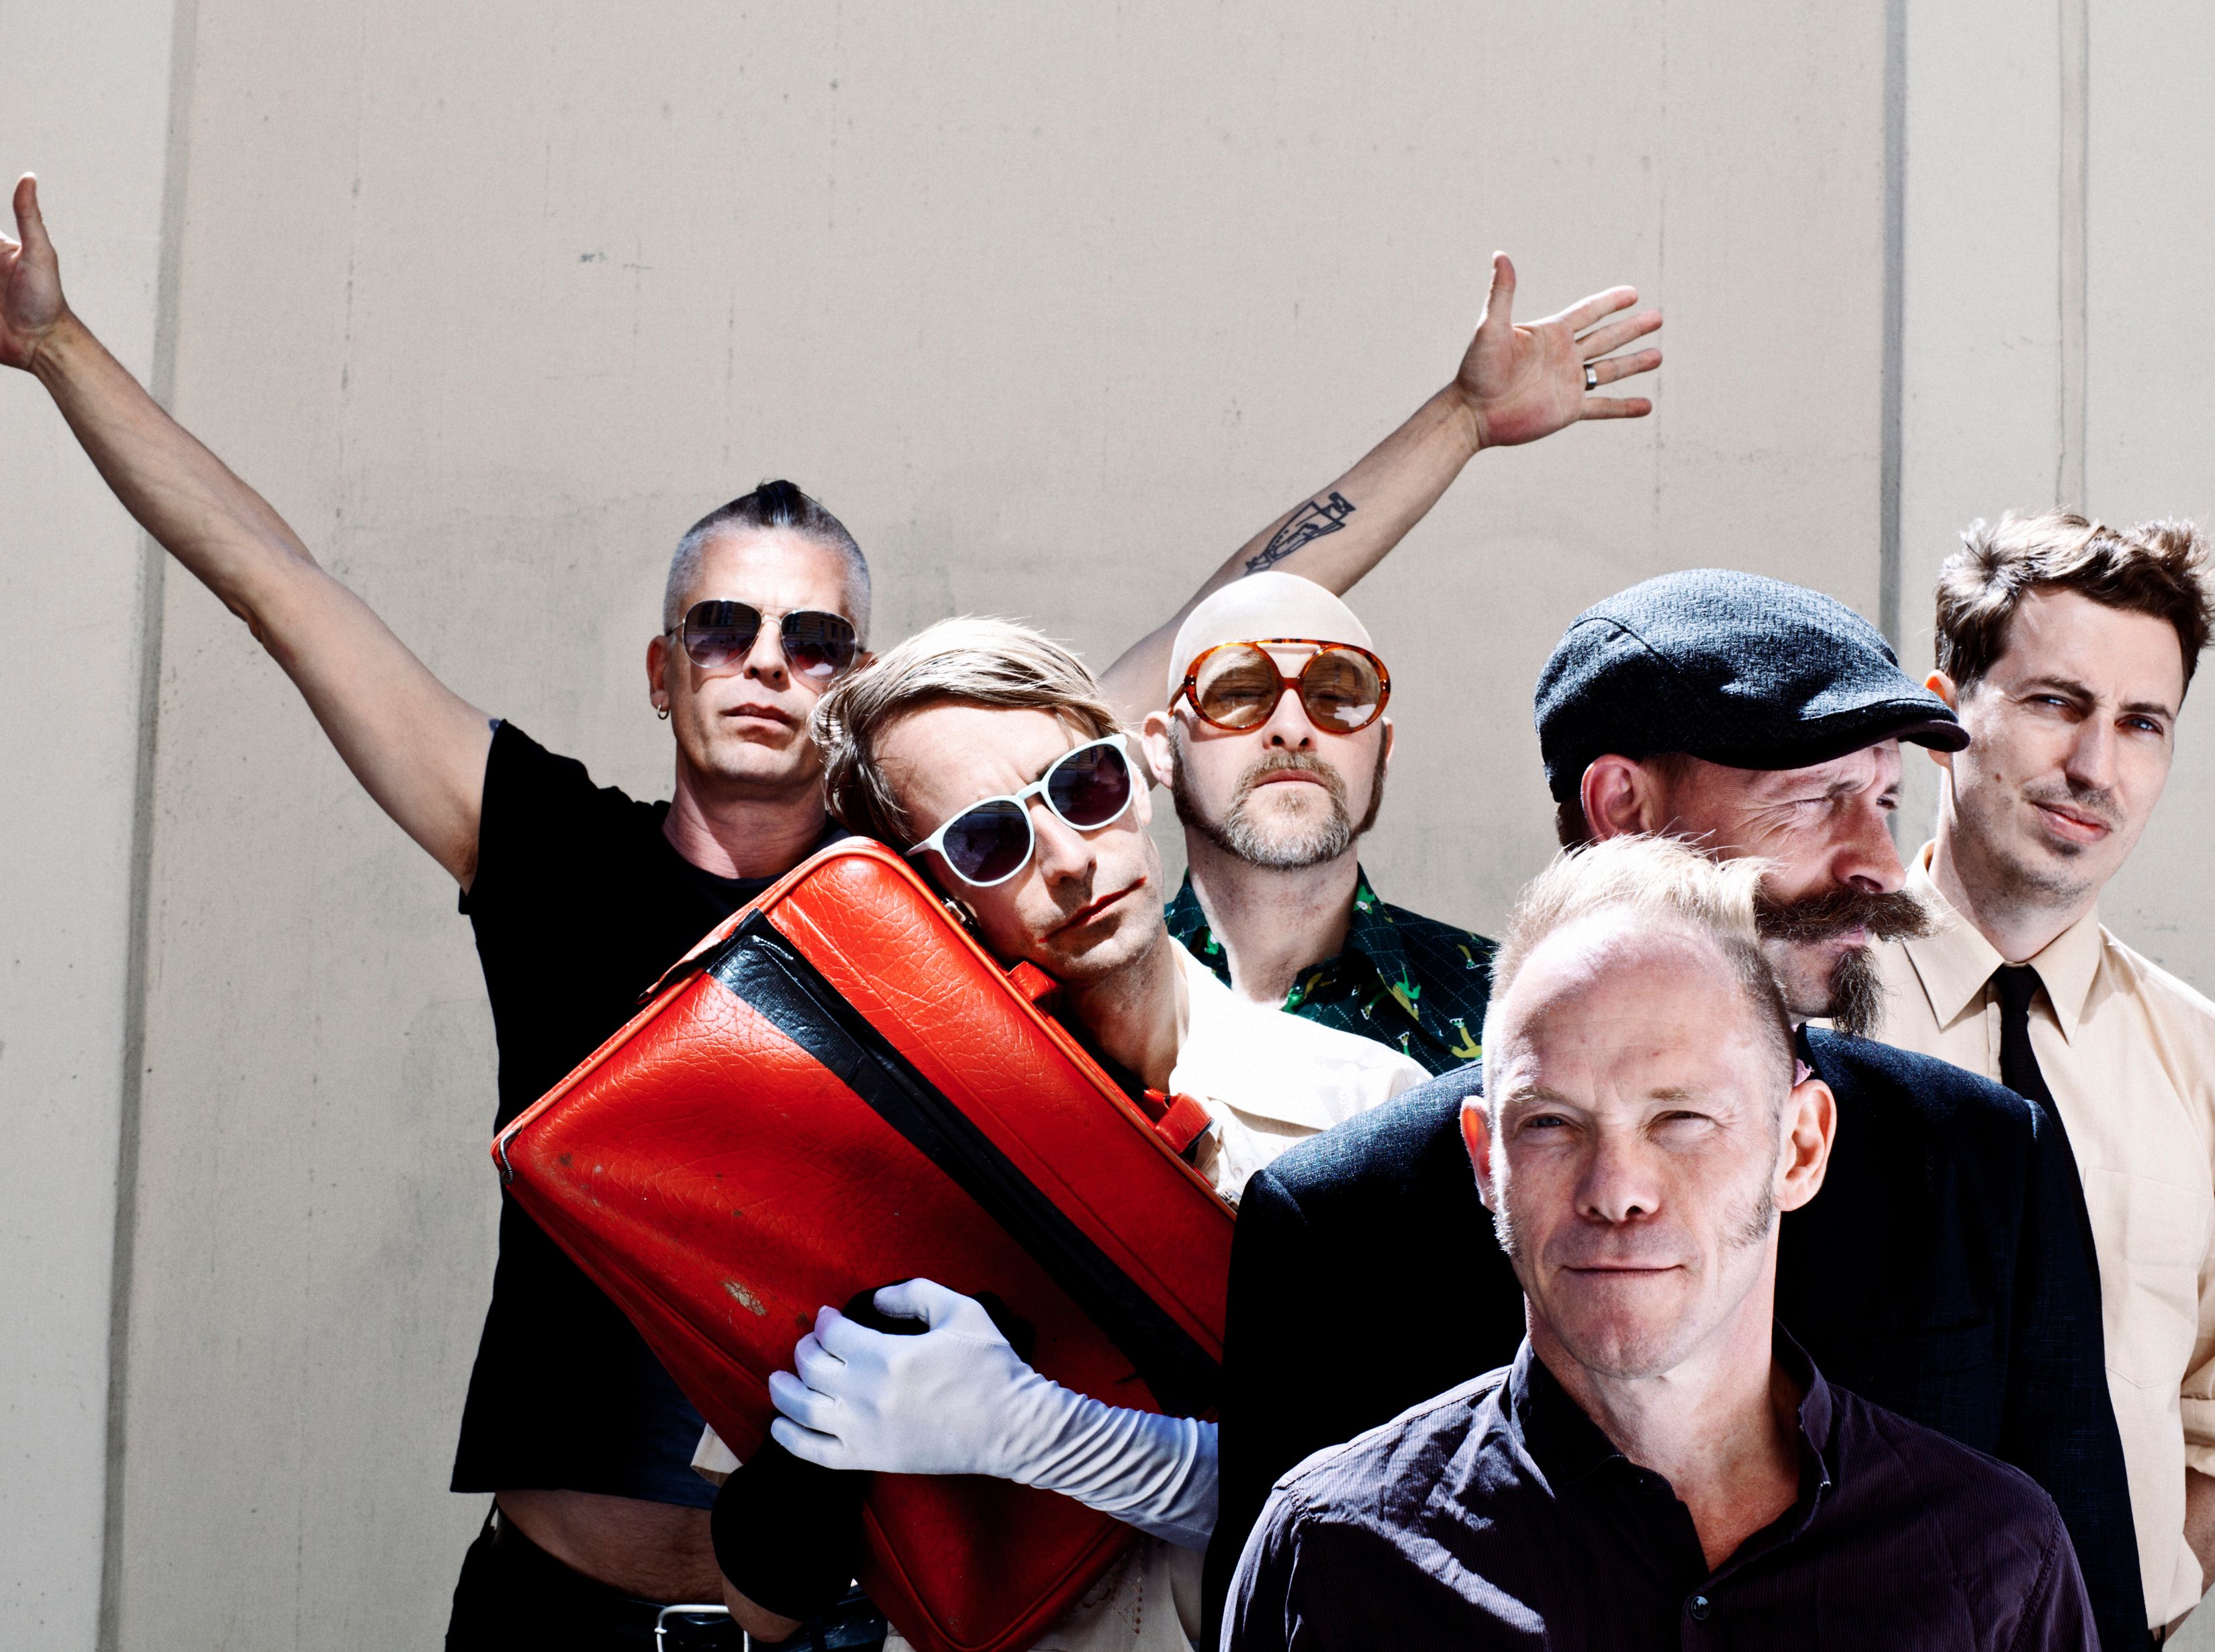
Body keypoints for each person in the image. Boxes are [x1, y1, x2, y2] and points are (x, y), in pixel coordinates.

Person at [0, 169, 1661, 1646]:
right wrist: (58, 347)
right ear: (663, 668)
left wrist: (1458, 416)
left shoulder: (966, 880)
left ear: (857, 678)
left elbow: (1227, 619)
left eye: (810, 639)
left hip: (862, 1609)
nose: (764, 664)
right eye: (722, 630)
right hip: (568, 1601)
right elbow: (280, 590)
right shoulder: (555, 855)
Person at [1205, 570, 2151, 1652]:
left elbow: (2081, 1593)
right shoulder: (1338, 1222)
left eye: (1882, 802)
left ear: (1801, 1147)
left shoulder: (1982, 1160)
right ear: (1622, 811)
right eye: (1816, 800)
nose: (1879, 865)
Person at [716, 619, 1428, 1650]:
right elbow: (763, 1602)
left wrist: (1039, 1431)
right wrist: (818, 1461)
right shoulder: (880, 1156)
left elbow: (1411, 1517)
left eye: (1082, 786)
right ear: (927, 901)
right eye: (988, 840)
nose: (1065, 859)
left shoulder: (1370, 1112)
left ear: (1139, 774)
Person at [1863, 512, 2215, 1639]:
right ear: (1943, 719)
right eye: (2056, 703)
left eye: (2141, 723)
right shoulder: (1794, 1020)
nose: (2095, 768)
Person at [1143, 573, 1495, 1073]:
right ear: (1164, 751)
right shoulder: (1079, 1007)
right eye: (1239, 693)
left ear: (1383, 751)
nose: (1292, 728)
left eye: (1333, 697)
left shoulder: (1516, 1010)